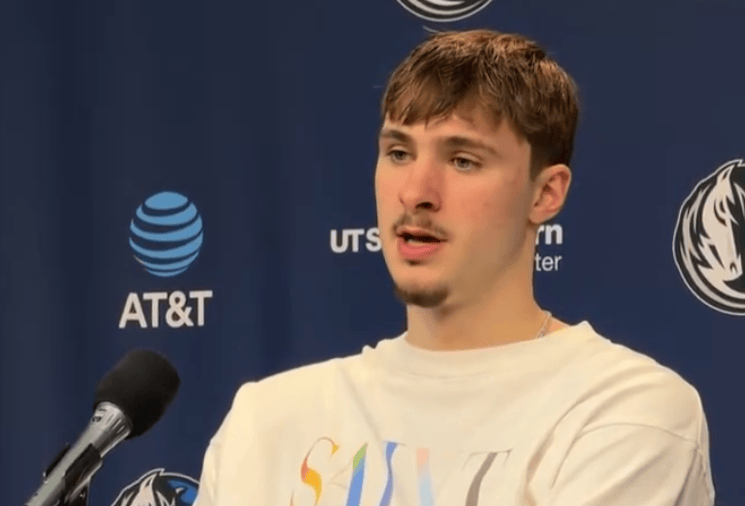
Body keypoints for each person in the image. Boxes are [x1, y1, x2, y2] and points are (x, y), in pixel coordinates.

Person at [192, 29, 715, 505]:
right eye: (399, 153)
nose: (416, 193)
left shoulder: (625, 411)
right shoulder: (266, 423)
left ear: (545, 193)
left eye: (463, 160)